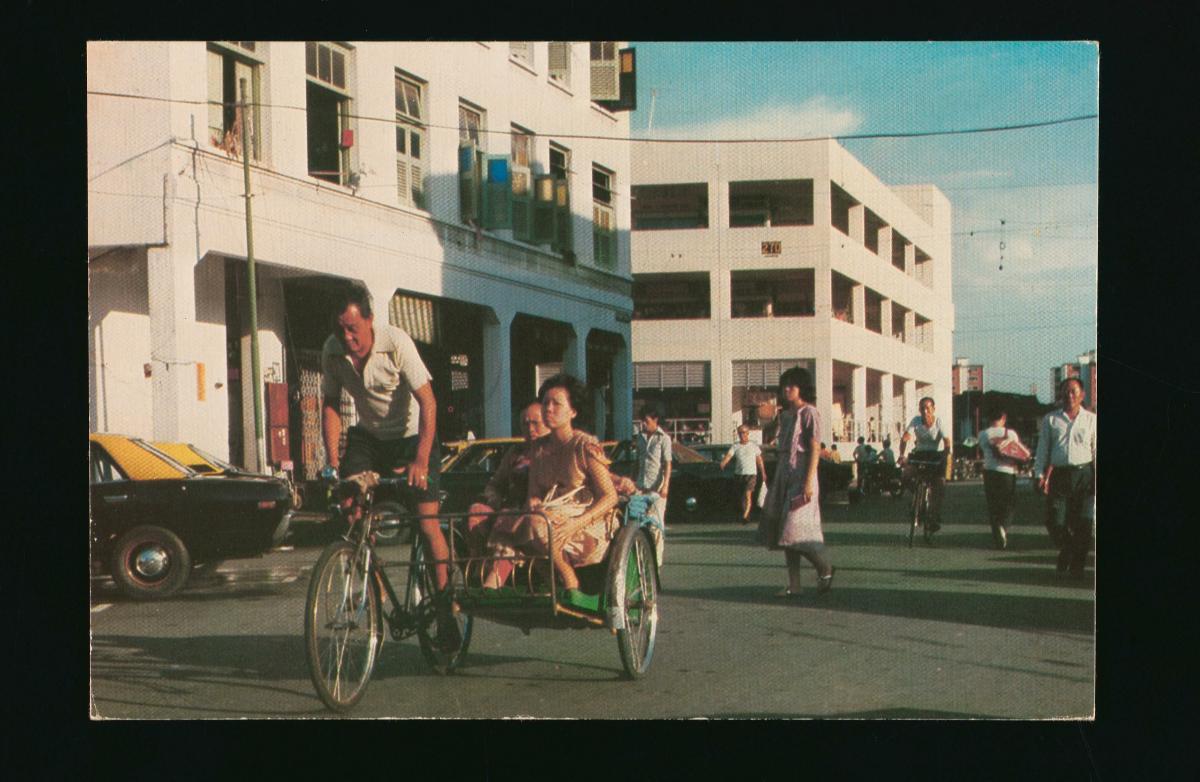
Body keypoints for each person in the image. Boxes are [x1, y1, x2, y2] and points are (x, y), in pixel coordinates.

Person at [319, 284, 456, 648]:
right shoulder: (332, 352)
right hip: (368, 437)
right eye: (340, 331)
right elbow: (331, 405)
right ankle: (375, 589)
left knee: (427, 524)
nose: (348, 338)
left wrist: (421, 461)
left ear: (369, 320)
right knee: (349, 506)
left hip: (412, 438)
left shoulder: (396, 342)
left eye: (354, 329)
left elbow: (428, 402)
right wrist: (332, 461)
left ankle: (445, 612)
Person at [483, 374, 618, 606]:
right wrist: (534, 501)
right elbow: (534, 493)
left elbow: (610, 496)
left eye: (557, 404)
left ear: (572, 412)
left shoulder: (584, 446)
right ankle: (493, 586)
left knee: (536, 523)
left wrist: (576, 523)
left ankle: (570, 581)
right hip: (549, 515)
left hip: (586, 520)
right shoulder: (538, 449)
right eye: (546, 403)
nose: (549, 409)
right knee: (511, 525)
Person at [760, 367, 835, 597]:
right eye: (784, 386)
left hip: (803, 476)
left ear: (802, 388)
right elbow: (776, 444)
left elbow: (814, 447)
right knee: (784, 533)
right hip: (784, 475)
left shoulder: (810, 412)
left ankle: (825, 567)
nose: (786, 390)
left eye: (791, 385)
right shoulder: (786, 415)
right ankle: (795, 584)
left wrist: (809, 481)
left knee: (795, 530)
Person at [465, 400, 549, 582]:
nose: (530, 429)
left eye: (536, 423)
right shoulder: (515, 452)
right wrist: (493, 497)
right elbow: (495, 483)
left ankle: (491, 582)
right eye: (525, 424)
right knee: (476, 510)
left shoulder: (554, 451)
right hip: (508, 509)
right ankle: (476, 571)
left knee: (509, 520)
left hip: (538, 513)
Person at [1033, 377, 1096, 579]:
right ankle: (1068, 549)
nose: (1069, 396)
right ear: (1060, 395)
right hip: (1059, 477)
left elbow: (1096, 450)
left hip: (1084, 476)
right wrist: (1039, 474)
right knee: (1055, 522)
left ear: (1082, 395)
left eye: (1074, 392)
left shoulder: (1091, 420)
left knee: (1084, 525)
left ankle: (1077, 567)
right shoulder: (1051, 420)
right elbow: (1043, 449)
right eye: (1066, 392)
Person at [899, 397, 952, 534]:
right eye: (922, 408)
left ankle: (933, 517)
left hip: (934, 455)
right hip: (919, 454)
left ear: (933, 409)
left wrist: (945, 455)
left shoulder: (939, 421)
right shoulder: (916, 421)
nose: (925, 411)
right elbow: (905, 437)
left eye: (928, 408)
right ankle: (917, 496)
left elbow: (946, 441)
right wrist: (901, 454)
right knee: (905, 476)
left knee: (939, 486)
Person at [979, 404, 1023, 550]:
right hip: (1007, 472)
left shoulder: (983, 434)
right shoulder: (1011, 434)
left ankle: (997, 530)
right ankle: (1003, 527)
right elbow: (1017, 452)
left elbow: (982, 448)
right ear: (1003, 418)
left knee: (993, 504)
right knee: (1009, 503)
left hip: (990, 471)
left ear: (988, 418)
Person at [635, 405, 672, 564]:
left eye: (646, 420)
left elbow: (667, 464)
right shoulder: (640, 438)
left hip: (657, 490)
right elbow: (638, 462)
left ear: (655, 420)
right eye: (642, 420)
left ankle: (656, 564)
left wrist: (665, 486)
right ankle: (642, 561)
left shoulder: (664, 439)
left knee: (655, 527)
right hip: (640, 487)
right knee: (638, 525)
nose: (643, 424)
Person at [720, 425, 768, 524]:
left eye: (744, 432)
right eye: (740, 433)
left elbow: (759, 460)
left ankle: (745, 516)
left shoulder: (753, 446)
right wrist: (723, 462)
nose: (742, 435)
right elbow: (729, 455)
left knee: (747, 494)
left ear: (748, 433)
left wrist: (763, 472)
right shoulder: (735, 446)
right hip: (739, 474)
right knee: (742, 496)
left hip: (751, 474)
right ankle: (745, 513)